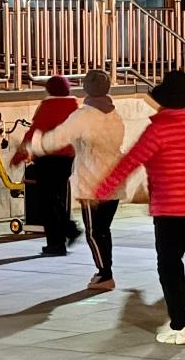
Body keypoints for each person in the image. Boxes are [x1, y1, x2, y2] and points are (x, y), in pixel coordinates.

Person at [96, 70, 185, 345]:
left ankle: (180, 326)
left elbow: (132, 160)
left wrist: (104, 188)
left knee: (168, 264)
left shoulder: (158, 128)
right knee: (173, 261)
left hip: (170, 205)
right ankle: (179, 316)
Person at [15, 69, 125, 290]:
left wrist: (33, 146)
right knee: (104, 229)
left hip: (93, 181)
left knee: (94, 231)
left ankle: (105, 274)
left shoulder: (83, 115)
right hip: (115, 176)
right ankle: (104, 271)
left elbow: (57, 138)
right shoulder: (114, 114)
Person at [15, 75, 81, 257]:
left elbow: (35, 131)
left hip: (48, 158)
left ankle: (60, 239)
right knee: (56, 199)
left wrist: (19, 155)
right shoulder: (74, 106)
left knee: (46, 202)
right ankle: (62, 237)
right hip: (67, 157)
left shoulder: (49, 106)